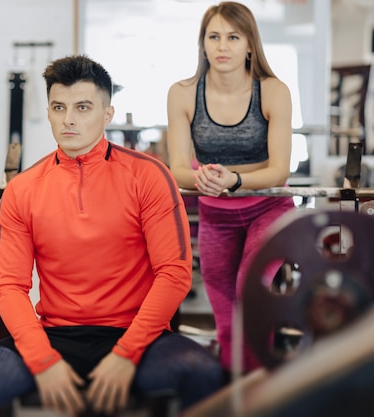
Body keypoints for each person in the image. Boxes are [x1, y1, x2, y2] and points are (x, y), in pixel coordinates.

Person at [0, 54, 223, 417]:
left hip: (138, 335)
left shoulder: (148, 176)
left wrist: (126, 354)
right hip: (55, 335)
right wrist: (42, 360)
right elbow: (9, 286)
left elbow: (174, 273)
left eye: (83, 107)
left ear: (107, 114)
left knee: (204, 376)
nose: (68, 119)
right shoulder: (23, 190)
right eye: (58, 107)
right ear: (49, 111)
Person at [166, 2, 295, 374]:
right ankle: (232, 394)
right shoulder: (183, 93)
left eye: (233, 37)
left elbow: (278, 170)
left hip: (268, 208)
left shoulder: (272, 91)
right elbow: (177, 170)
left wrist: (234, 181)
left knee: (249, 294)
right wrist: (204, 179)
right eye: (214, 36)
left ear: (250, 44)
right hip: (216, 215)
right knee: (224, 317)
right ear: (203, 44)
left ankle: (261, 390)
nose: (223, 46)